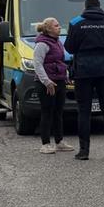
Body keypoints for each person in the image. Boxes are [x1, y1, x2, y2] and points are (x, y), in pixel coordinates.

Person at [64, 0, 104, 160]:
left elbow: (69, 47)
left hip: (83, 71)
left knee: (84, 111)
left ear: (85, 7)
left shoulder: (76, 22)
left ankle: (84, 151)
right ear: (99, 7)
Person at [32, 18, 74, 155]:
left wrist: (66, 75)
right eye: (56, 26)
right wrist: (46, 81)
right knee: (47, 112)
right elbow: (37, 64)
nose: (59, 28)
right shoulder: (42, 44)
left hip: (59, 81)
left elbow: (60, 61)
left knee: (58, 112)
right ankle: (45, 144)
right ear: (48, 29)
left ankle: (59, 141)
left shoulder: (58, 42)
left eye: (59, 25)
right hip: (47, 84)